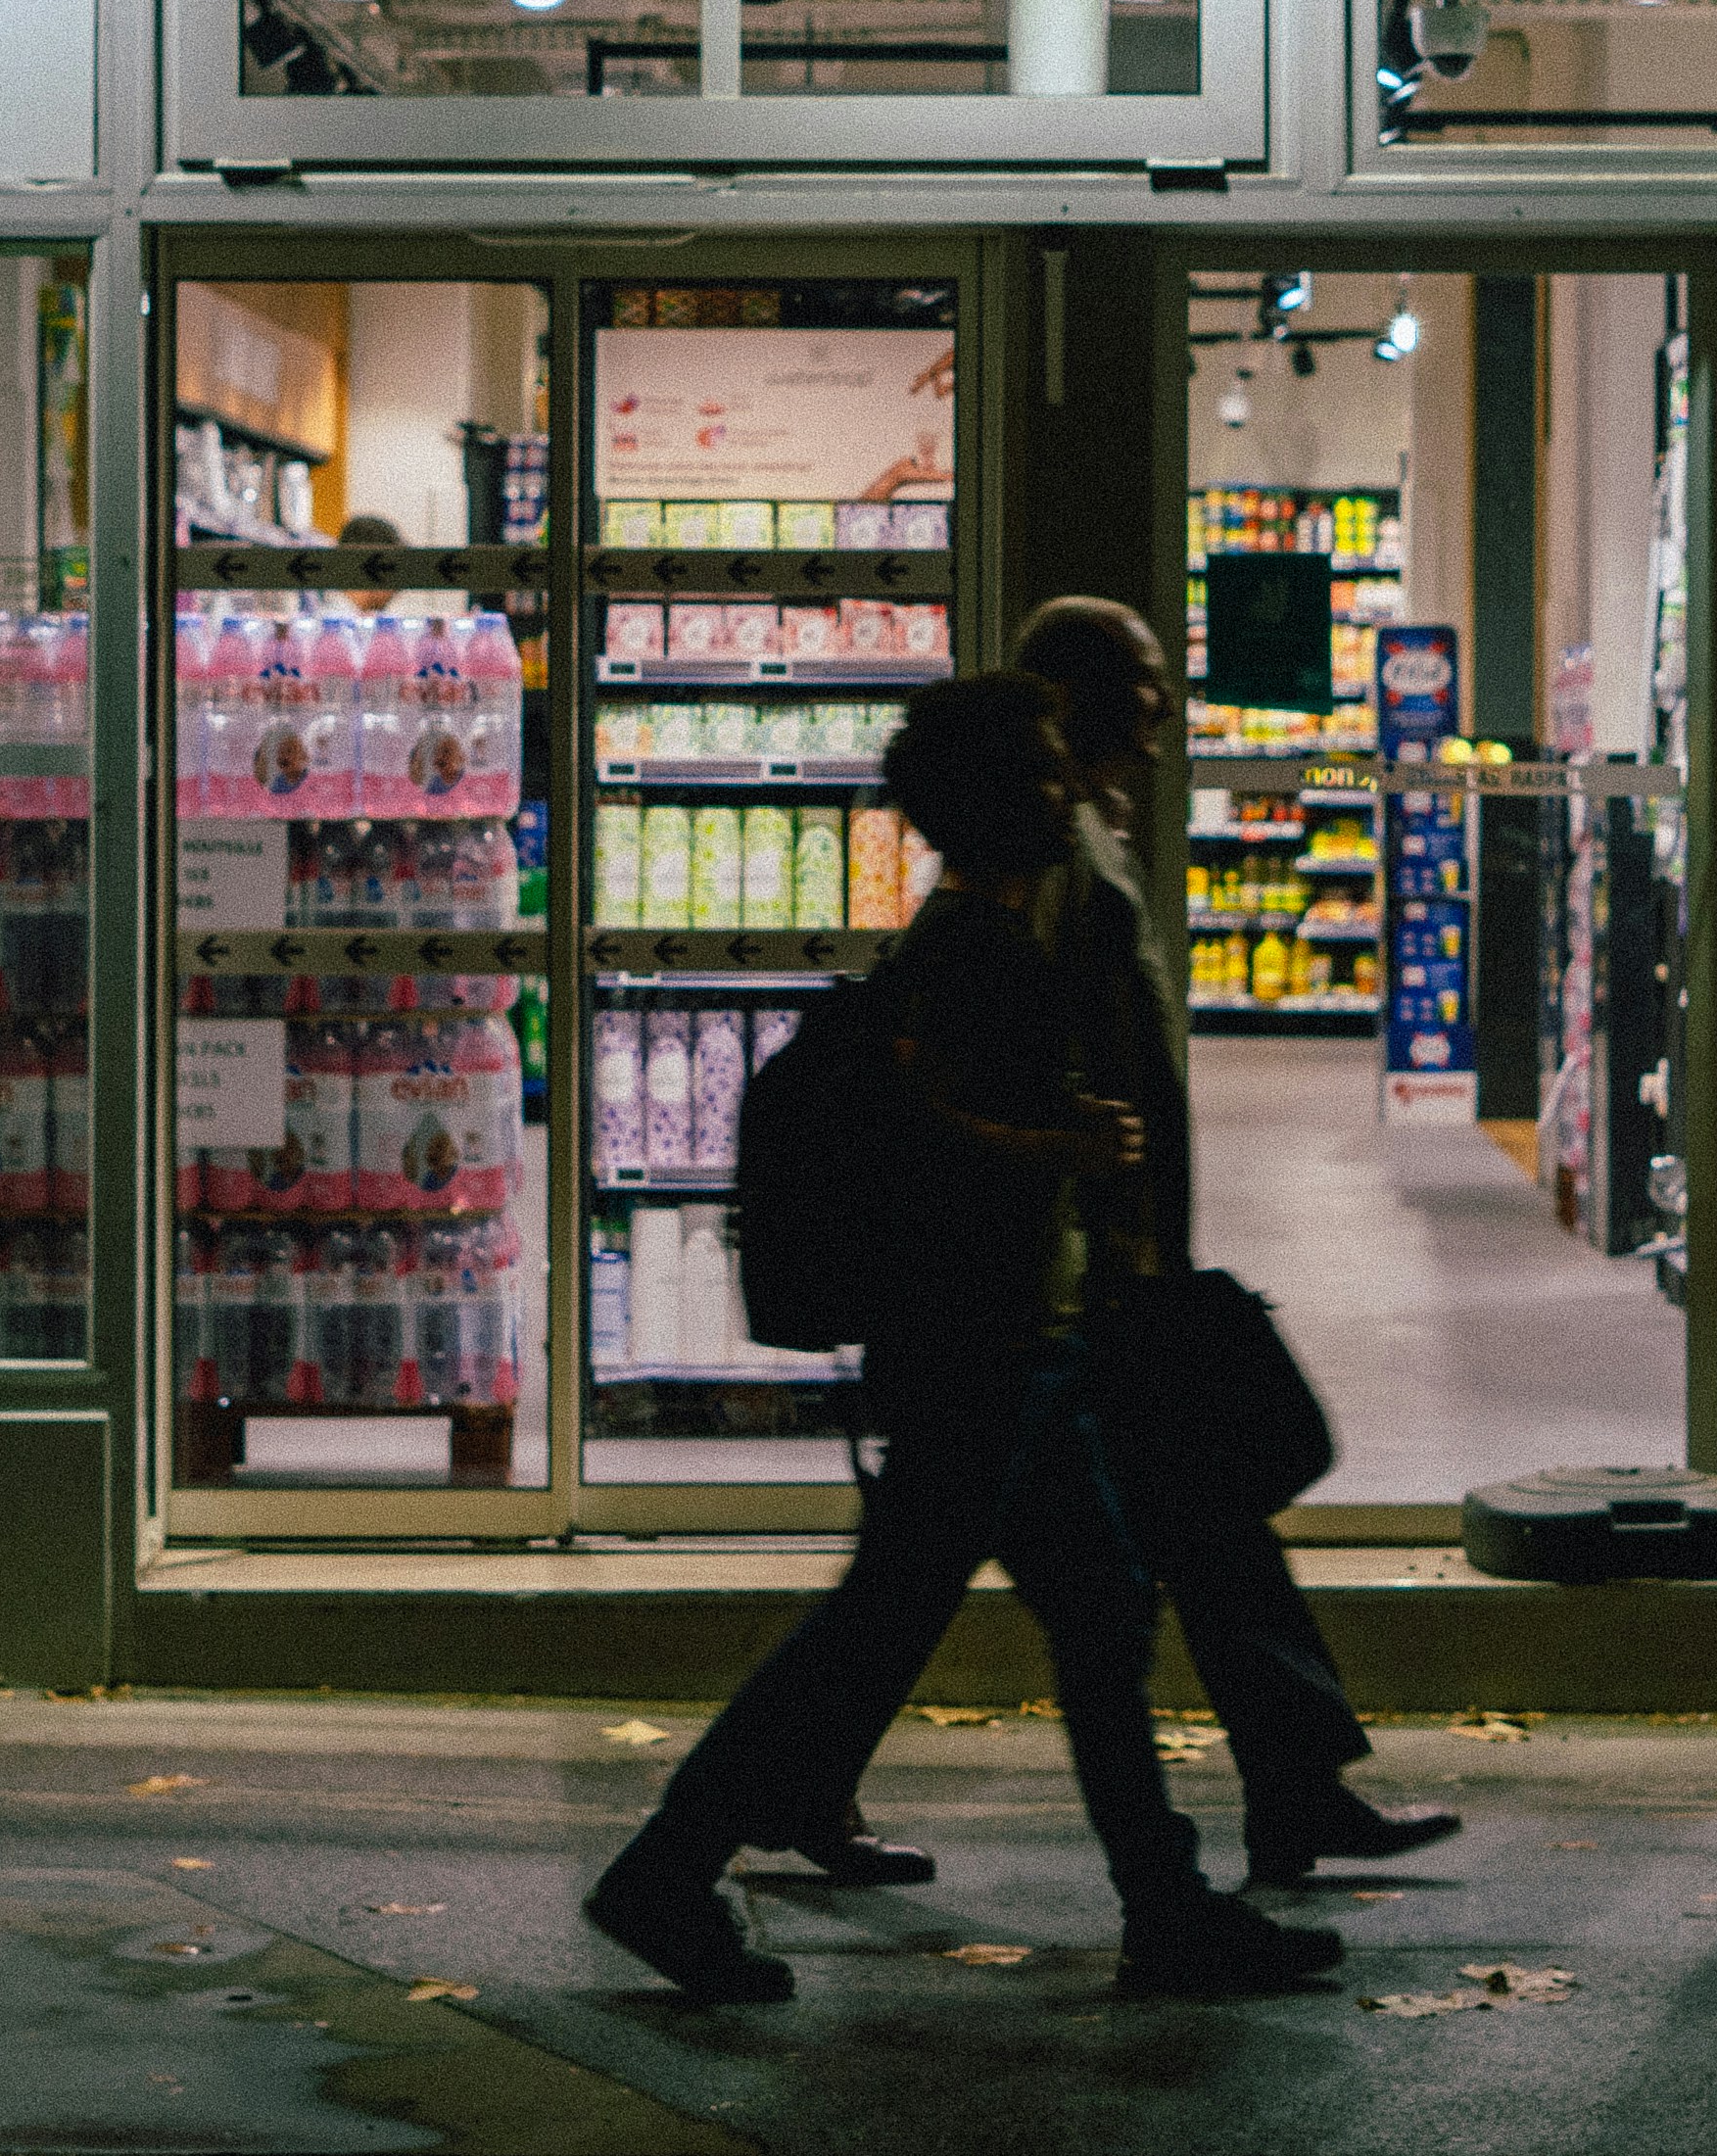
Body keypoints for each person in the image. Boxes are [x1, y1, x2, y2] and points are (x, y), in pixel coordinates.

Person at [585, 673, 1340, 2003]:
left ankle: (1162, 1903)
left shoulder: (957, 938)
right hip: (980, 1352)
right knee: (880, 1631)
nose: (1073, 792)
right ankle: (665, 1869)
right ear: (1003, 799)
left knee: (1097, 1616)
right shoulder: (977, 955)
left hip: (1007, 1351)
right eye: (1048, 773)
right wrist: (1061, 1146)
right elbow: (925, 1139)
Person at [1011, 595, 1463, 1888]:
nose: (1164, 723)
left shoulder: (1089, 844)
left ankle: (1291, 1790)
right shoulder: (1061, 865)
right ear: (1092, 703)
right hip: (1078, 1274)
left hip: (1107, 1262)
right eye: (1149, 694)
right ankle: (1198, 1871)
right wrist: (1129, 1238)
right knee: (1029, 1586)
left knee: (1200, 1527)